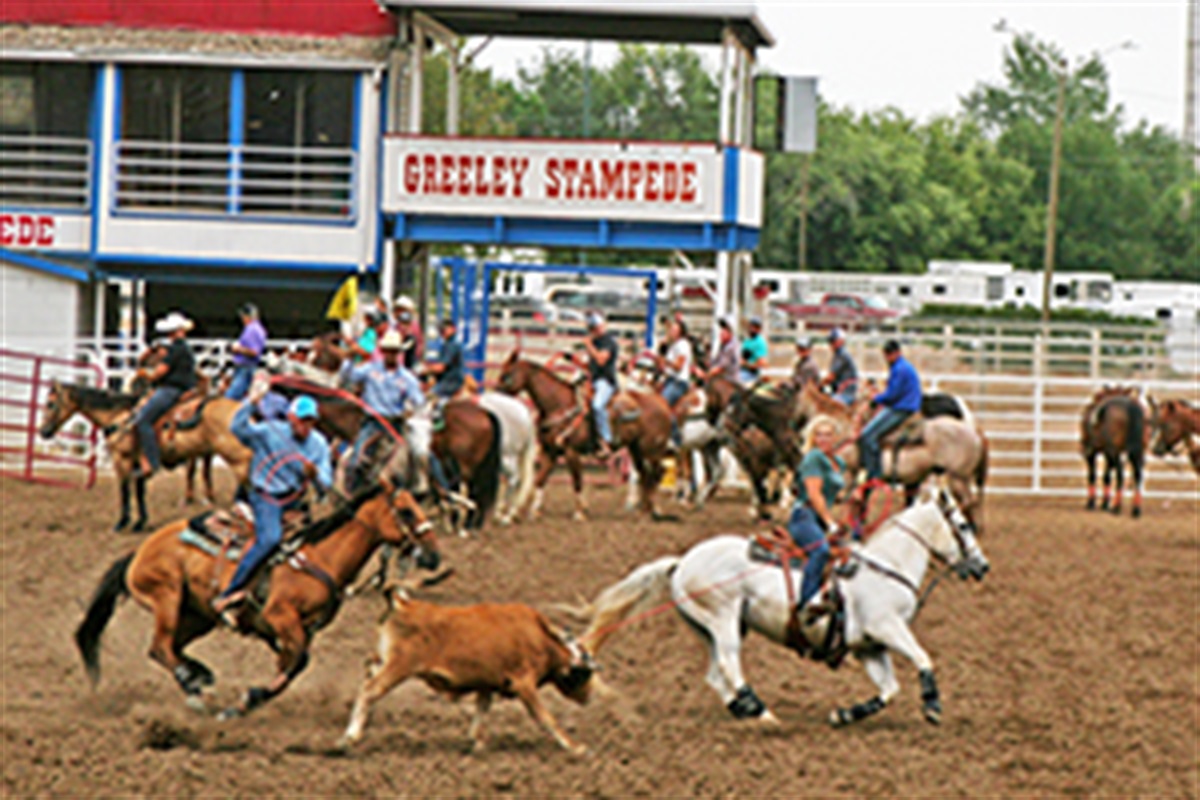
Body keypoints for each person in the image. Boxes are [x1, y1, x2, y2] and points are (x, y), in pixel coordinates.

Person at [212, 393, 333, 619]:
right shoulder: (269, 431)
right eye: (302, 420)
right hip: (265, 495)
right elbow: (238, 430)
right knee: (270, 538)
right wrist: (252, 402)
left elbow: (327, 482)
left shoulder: (318, 444)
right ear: (290, 417)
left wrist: (315, 474)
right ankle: (232, 590)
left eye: (310, 421)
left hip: (294, 497)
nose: (306, 426)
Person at [340, 330, 425, 489]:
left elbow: (419, 400)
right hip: (373, 422)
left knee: (418, 455)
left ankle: (423, 488)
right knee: (356, 460)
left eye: (394, 352)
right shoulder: (370, 370)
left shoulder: (406, 378)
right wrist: (349, 359)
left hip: (395, 424)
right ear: (383, 352)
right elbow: (348, 377)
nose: (391, 355)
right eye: (389, 351)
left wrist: (412, 408)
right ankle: (351, 495)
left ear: (399, 353)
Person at [786, 415, 847, 610]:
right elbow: (814, 494)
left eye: (828, 435)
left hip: (819, 517)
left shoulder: (837, 462)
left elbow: (832, 493)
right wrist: (830, 522)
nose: (823, 439)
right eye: (819, 435)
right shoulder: (813, 458)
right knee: (820, 551)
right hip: (804, 516)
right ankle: (807, 600)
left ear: (835, 438)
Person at [133, 312, 197, 477]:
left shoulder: (174, 350)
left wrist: (145, 374)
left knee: (143, 420)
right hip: (184, 388)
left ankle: (152, 461)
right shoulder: (185, 349)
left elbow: (160, 373)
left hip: (171, 389)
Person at [858, 340, 922, 482]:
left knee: (867, 435)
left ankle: (874, 471)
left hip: (901, 408)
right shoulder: (902, 367)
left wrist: (876, 398)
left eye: (890, 354)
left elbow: (893, 394)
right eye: (886, 354)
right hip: (904, 405)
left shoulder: (899, 369)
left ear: (898, 353)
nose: (888, 357)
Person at [574, 312, 619, 458]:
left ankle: (606, 439)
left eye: (595, 328)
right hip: (593, 379)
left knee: (598, 405)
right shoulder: (596, 343)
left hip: (605, 380)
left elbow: (601, 360)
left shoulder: (608, 342)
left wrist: (589, 346)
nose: (594, 331)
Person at [657, 318, 693, 448]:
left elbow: (678, 366)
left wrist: (664, 361)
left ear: (680, 332)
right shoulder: (674, 345)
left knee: (661, 405)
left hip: (678, 382)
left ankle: (675, 437)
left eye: (674, 330)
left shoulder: (683, 345)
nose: (671, 332)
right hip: (670, 380)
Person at [226, 303, 267, 401]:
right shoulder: (257, 328)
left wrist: (237, 349)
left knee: (231, 396)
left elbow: (254, 352)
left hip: (246, 366)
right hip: (248, 366)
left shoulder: (252, 329)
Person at [425, 317, 465, 400]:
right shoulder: (449, 344)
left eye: (445, 328)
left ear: (453, 329)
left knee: (429, 397)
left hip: (450, 382)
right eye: (441, 329)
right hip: (450, 380)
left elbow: (441, 367)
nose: (442, 331)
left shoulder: (451, 345)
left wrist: (425, 370)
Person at [823, 328, 859, 405]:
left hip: (846, 393)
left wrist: (819, 385)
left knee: (829, 405)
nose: (831, 344)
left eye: (833, 341)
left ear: (841, 341)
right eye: (830, 341)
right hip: (840, 390)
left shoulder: (842, 354)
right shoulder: (838, 354)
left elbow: (831, 377)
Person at [393, 296, 424, 370]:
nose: (398, 312)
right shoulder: (396, 325)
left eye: (400, 309)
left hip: (408, 364)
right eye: (397, 309)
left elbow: (418, 344)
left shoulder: (413, 325)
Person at [706, 316, 739, 383]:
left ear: (731, 333)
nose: (722, 332)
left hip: (729, 383)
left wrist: (705, 375)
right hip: (721, 380)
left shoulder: (731, 347)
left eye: (725, 329)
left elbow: (720, 368)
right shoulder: (724, 346)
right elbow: (714, 363)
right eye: (722, 328)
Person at [739, 316, 769, 385]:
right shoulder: (746, 340)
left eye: (756, 327)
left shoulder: (760, 342)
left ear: (759, 330)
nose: (753, 329)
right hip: (741, 370)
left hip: (751, 373)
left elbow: (762, 363)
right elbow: (742, 357)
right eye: (752, 326)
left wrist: (747, 364)